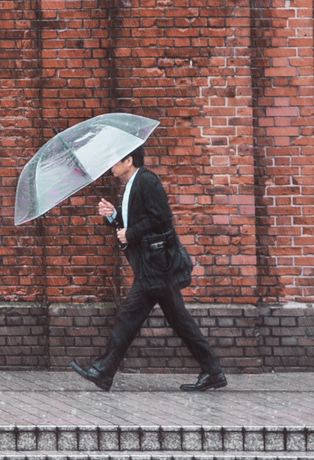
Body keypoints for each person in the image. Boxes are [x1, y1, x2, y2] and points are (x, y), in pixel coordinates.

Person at [72, 148, 227, 392]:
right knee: (180, 320)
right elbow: (134, 222)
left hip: (156, 267)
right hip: (154, 266)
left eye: (115, 160)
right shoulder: (133, 184)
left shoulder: (147, 181)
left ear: (129, 160)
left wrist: (131, 233)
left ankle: (103, 371)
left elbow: (161, 218)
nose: (111, 166)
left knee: (129, 317)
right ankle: (213, 372)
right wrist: (113, 216)